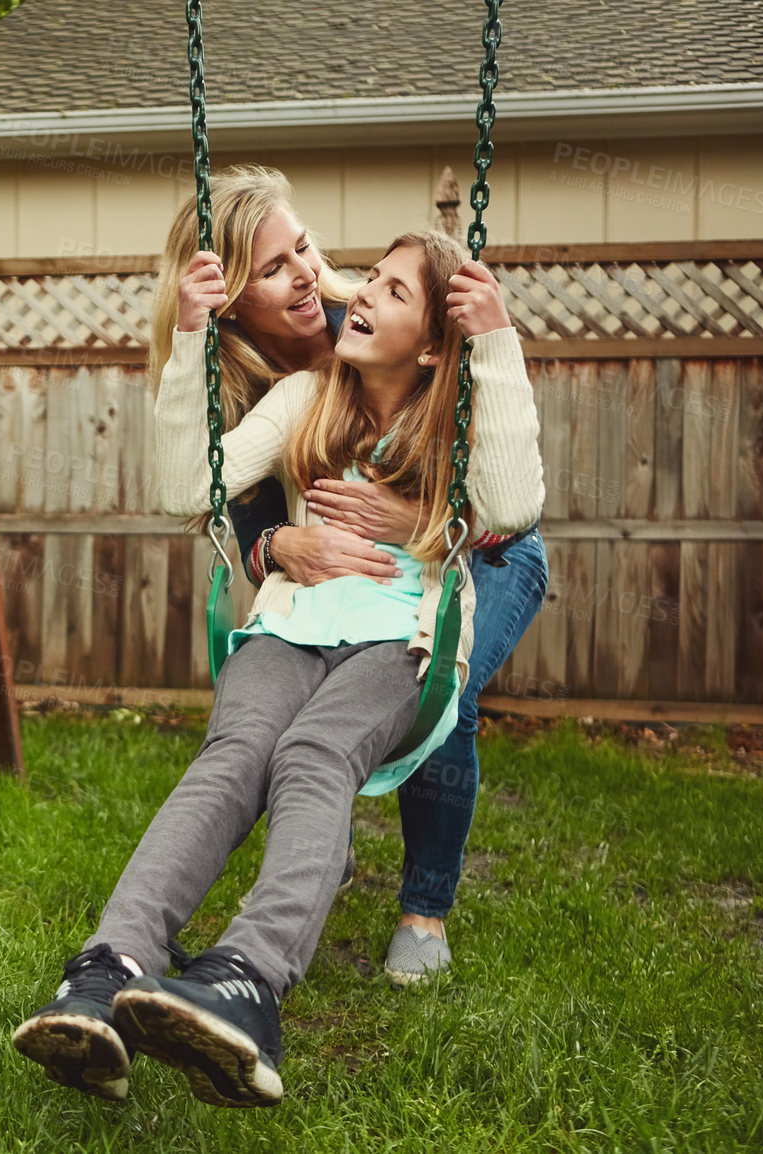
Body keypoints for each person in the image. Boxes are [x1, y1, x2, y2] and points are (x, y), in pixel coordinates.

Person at [11, 225, 544, 1108]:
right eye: (368, 278)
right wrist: (189, 339)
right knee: (232, 756)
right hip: (290, 626)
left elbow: (514, 505)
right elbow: (189, 491)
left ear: (437, 339)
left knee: (312, 758)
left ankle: (249, 979)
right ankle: (106, 972)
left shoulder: (457, 410)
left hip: (402, 638)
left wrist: (495, 338)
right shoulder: (305, 395)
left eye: (395, 292)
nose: (360, 293)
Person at [162, 166, 549, 985]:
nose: (310, 275)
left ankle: (425, 910)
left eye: (304, 248)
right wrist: (277, 550)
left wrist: (423, 528)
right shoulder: (237, 377)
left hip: (477, 549)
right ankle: (317, 844)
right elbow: (223, 500)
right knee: (293, 731)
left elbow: (499, 490)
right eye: (274, 268)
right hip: (342, 574)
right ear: (229, 297)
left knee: (444, 685)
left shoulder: (377, 314)